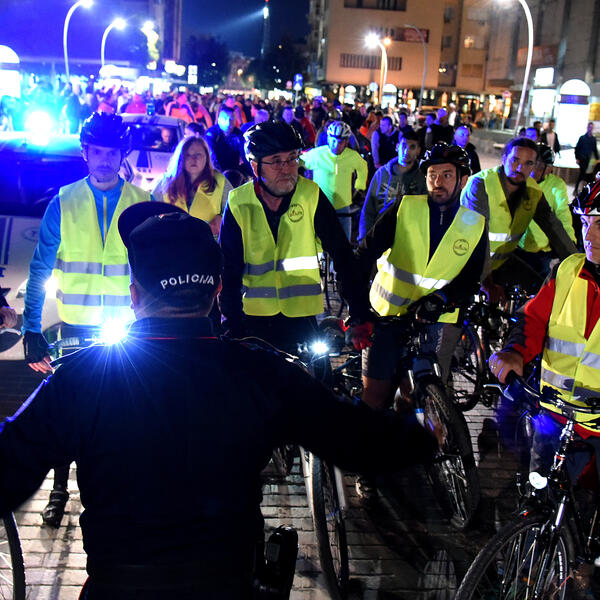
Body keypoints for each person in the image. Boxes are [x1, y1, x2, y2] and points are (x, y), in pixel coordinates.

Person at [0, 202, 438, 599]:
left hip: (118, 586)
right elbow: (357, 439)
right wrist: (424, 433)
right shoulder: (262, 371)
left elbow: (10, 467)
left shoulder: (82, 377)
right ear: (216, 291)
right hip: (226, 584)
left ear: (134, 296)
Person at [21, 112, 151, 528]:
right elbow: (40, 270)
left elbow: (152, 268)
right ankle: (59, 488)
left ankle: (120, 488)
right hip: (75, 326)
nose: (105, 160)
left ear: (121, 154)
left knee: (123, 410)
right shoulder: (64, 201)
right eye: (97, 151)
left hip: (126, 328)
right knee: (67, 409)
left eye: (112, 152)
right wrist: (31, 329)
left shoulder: (141, 202)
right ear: (86, 153)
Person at [351, 144, 486, 499]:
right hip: (388, 315)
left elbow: (470, 278)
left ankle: (405, 446)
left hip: (435, 322)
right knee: (374, 397)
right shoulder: (405, 208)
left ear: (462, 180)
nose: (438, 182)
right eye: (432, 175)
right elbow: (366, 252)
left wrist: (443, 300)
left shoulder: (474, 225)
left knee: (416, 394)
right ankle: (367, 466)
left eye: (447, 175)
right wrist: (356, 305)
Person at [219, 121, 370, 351]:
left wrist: (359, 313)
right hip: (254, 320)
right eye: (276, 161)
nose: (287, 168)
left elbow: (343, 256)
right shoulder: (238, 202)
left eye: (292, 158)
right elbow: (228, 270)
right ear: (255, 166)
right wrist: (232, 324)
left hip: (302, 319)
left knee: (316, 373)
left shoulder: (310, 195)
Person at [489, 181, 600, 486]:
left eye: (599, 224)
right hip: (555, 417)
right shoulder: (568, 270)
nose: (588, 235)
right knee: (540, 495)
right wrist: (515, 352)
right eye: (585, 222)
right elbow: (533, 319)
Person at [461, 137, 577, 301]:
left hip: (501, 262)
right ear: (504, 158)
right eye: (515, 160)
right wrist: (487, 283)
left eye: (528, 163)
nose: (520, 168)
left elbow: (554, 227)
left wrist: (578, 264)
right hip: (468, 262)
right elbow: (477, 238)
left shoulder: (533, 191)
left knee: (538, 291)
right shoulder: (480, 185)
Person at [517, 143, 576, 283]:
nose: (533, 170)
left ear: (549, 169)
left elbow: (563, 214)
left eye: (539, 166)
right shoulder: (518, 181)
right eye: (531, 163)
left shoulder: (556, 185)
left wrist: (569, 242)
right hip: (516, 247)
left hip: (542, 251)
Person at [151, 135, 232, 238]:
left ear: (206, 157)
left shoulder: (220, 181)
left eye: (198, 154)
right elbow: (151, 212)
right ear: (181, 158)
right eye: (188, 155)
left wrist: (222, 221)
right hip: (173, 244)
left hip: (206, 245)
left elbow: (235, 213)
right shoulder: (166, 182)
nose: (194, 159)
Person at [300, 120, 368, 240]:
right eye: (333, 140)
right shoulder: (317, 154)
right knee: (319, 242)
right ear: (328, 138)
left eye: (340, 142)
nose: (336, 145)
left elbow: (363, 167)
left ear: (346, 142)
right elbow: (299, 162)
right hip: (321, 205)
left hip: (343, 207)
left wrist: (360, 185)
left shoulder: (352, 156)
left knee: (345, 242)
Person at [359, 129, 427, 240]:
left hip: (408, 238)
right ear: (397, 147)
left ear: (418, 151)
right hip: (380, 235)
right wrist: (364, 238)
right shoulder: (382, 174)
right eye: (404, 146)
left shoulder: (422, 178)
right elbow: (369, 208)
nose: (407, 151)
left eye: (412, 147)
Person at [204, 105, 251, 178]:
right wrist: (221, 176)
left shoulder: (238, 134)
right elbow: (212, 157)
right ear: (219, 119)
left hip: (234, 172)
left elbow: (245, 155)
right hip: (215, 174)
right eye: (225, 118)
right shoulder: (211, 134)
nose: (228, 122)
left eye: (231, 119)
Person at [575, 122, 599, 191]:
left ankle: (585, 189)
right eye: (589, 127)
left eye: (591, 127)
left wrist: (597, 159)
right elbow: (577, 149)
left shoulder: (593, 139)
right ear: (587, 128)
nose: (590, 129)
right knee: (582, 175)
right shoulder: (582, 138)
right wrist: (577, 158)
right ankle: (577, 189)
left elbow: (594, 150)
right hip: (582, 159)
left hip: (588, 160)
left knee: (586, 175)